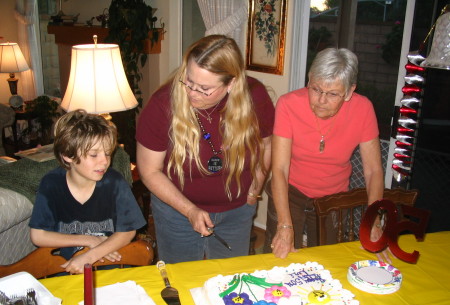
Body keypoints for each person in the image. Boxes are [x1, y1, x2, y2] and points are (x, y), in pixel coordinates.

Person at [136, 35, 275, 263]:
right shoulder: (162, 104)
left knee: (230, 282)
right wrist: (190, 210)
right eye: (188, 81)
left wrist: (255, 187)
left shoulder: (255, 97)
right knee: (183, 282)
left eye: (204, 88)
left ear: (231, 83)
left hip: (236, 213)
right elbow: (149, 171)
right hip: (177, 213)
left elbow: (267, 144)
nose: (191, 93)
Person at [265, 48, 386, 260]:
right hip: (290, 191)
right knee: (278, 257)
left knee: (326, 260)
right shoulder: (288, 104)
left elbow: (374, 171)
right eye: (315, 89)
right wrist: (285, 224)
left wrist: (374, 220)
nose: (321, 100)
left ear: (349, 92)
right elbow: (280, 169)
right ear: (309, 80)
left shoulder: (363, 109)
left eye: (332, 94)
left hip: (333, 197)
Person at [29, 110, 146, 274]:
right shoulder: (51, 184)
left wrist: (90, 256)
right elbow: (38, 236)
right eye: (93, 154)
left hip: (113, 268)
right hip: (70, 268)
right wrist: (91, 240)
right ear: (67, 155)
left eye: (107, 153)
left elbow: (127, 232)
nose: (104, 161)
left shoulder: (115, 182)